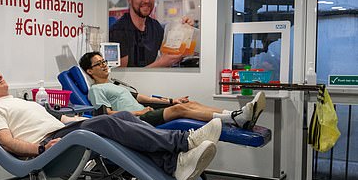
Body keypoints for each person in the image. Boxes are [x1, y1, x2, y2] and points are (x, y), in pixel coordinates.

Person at [0, 65, 223, 180]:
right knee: (109, 120)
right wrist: (39, 149)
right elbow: (6, 141)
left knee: (121, 117)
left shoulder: (17, 101)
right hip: (51, 146)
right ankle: (184, 142)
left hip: (63, 132)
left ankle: (173, 165)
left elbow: (61, 121)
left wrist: (85, 121)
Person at [79, 52, 266, 130]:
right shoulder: (96, 90)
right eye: (98, 63)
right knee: (180, 112)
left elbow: (142, 96)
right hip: (135, 120)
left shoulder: (114, 84)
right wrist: (138, 112)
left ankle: (235, 116)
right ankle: (236, 118)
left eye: (104, 61)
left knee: (186, 104)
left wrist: (171, 101)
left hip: (145, 113)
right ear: (89, 70)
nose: (104, 65)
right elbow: (105, 114)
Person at [110, 0, 187, 68]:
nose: (146, 0)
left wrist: (185, 29)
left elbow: (170, 55)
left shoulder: (155, 27)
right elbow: (121, 78)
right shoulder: (118, 31)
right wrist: (161, 63)